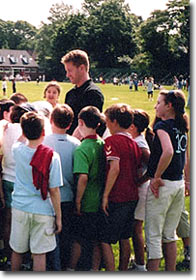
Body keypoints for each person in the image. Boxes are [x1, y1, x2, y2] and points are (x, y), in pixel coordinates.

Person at [9, 111, 63, 271]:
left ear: (23, 132)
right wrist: (58, 217)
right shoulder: (52, 156)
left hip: (20, 206)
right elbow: (54, 190)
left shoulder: (17, 150)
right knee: (40, 254)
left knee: (17, 251)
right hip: (43, 209)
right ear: (44, 132)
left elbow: (20, 140)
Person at [143, 90, 189, 271]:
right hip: (177, 183)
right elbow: (185, 156)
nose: (156, 106)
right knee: (169, 234)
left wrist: (156, 177)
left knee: (153, 234)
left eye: (159, 102)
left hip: (163, 184)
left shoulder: (162, 126)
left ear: (169, 106)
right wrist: (187, 181)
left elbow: (168, 151)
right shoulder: (181, 127)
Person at [100, 104, 141, 271]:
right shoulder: (134, 143)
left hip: (118, 196)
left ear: (114, 122)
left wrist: (105, 196)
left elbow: (115, 168)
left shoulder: (111, 141)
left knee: (104, 239)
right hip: (132, 195)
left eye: (107, 121)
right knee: (125, 237)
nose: (106, 125)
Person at [68, 106, 105, 271]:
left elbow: (82, 177)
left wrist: (77, 201)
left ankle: (71, 268)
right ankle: (94, 269)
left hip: (86, 200)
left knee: (78, 238)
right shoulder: (102, 143)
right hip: (100, 198)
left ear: (80, 123)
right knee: (96, 239)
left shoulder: (82, 148)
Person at [43, 104, 81, 270]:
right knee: (67, 235)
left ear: (51, 120)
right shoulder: (76, 144)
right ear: (70, 124)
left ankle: (54, 267)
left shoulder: (43, 141)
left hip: (48, 197)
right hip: (68, 196)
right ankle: (64, 266)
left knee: (50, 236)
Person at [61, 49, 104, 135]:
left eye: (70, 70)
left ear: (81, 68)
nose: (67, 75)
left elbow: (89, 128)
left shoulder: (93, 94)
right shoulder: (70, 94)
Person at [128, 109, 151, 272]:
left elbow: (152, 166)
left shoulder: (140, 145)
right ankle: (137, 259)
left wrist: (139, 181)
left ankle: (141, 265)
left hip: (141, 191)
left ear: (133, 126)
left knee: (136, 228)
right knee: (135, 227)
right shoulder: (137, 140)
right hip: (139, 189)